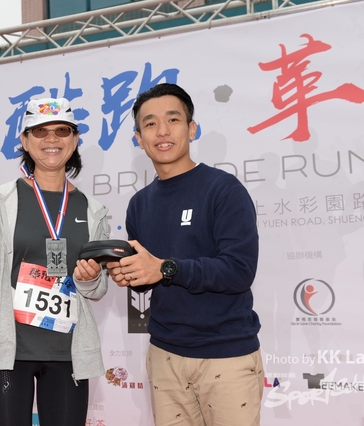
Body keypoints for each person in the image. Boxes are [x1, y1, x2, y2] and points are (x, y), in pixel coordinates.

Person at [0, 97, 110, 426]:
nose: (51, 139)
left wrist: (89, 277)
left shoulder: (92, 209)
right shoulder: (2, 199)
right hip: (9, 352)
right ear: (25, 140)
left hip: (68, 354)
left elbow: (97, 288)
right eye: (40, 131)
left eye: (62, 131)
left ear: (75, 139)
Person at [106, 83, 263, 426]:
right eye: (150, 124)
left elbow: (239, 270)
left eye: (173, 120)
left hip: (226, 355)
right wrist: (131, 275)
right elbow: (150, 281)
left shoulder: (223, 189)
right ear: (138, 138)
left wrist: (165, 268)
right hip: (165, 355)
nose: (162, 131)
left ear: (192, 129)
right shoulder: (139, 204)